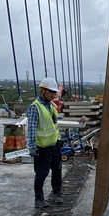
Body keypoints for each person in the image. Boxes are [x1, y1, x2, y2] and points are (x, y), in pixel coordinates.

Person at [27, 77, 64, 209]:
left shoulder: (52, 106)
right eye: (51, 92)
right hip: (42, 147)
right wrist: (31, 146)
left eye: (54, 92)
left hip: (54, 145)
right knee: (42, 173)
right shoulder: (35, 107)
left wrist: (59, 139)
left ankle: (57, 193)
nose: (53, 95)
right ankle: (39, 199)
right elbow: (31, 128)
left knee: (57, 170)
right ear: (43, 91)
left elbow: (54, 125)